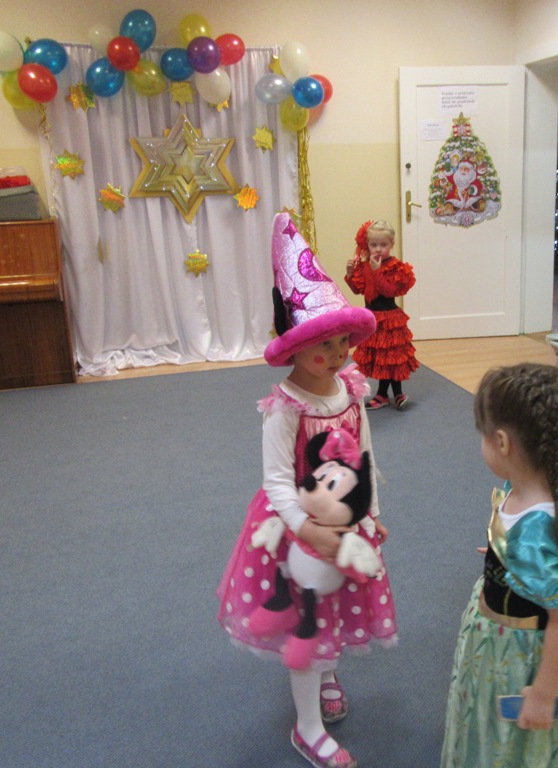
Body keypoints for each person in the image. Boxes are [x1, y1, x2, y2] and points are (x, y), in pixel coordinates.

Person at [218, 213, 397, 768]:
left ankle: (328, 670)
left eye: (344, 342)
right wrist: (306, 529)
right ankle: (308, 728)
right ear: (294, 348)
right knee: (307, 624)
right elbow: (276, 480)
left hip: (344, 521)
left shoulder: (351, 388)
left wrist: (370, 513)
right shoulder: (285, 407)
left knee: (334, 609)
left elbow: (364, 456)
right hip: (297, 531)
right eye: (325, 345)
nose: (339, 353)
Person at [441, 363, 558, 768]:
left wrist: (543, 693)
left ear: (502, 442)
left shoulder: (534, 532)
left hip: (519, 654)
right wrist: (502, 554)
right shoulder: (542, 482)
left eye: (483, 434)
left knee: (512, 747)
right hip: (507, 624)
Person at [344, 219, 419, 411]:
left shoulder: (395, 266)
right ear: (367, 245)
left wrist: (377, 272)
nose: (378, 249)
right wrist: (350, 274)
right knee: (381, 359)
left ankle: (394, 394)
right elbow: (358, 290)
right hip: (372, 318)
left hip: (389, 319)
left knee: (391, 358)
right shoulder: (365, 266)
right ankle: (384, 394)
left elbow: (389, 291)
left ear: (391, 244)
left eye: (383, 244)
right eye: (373, 244)